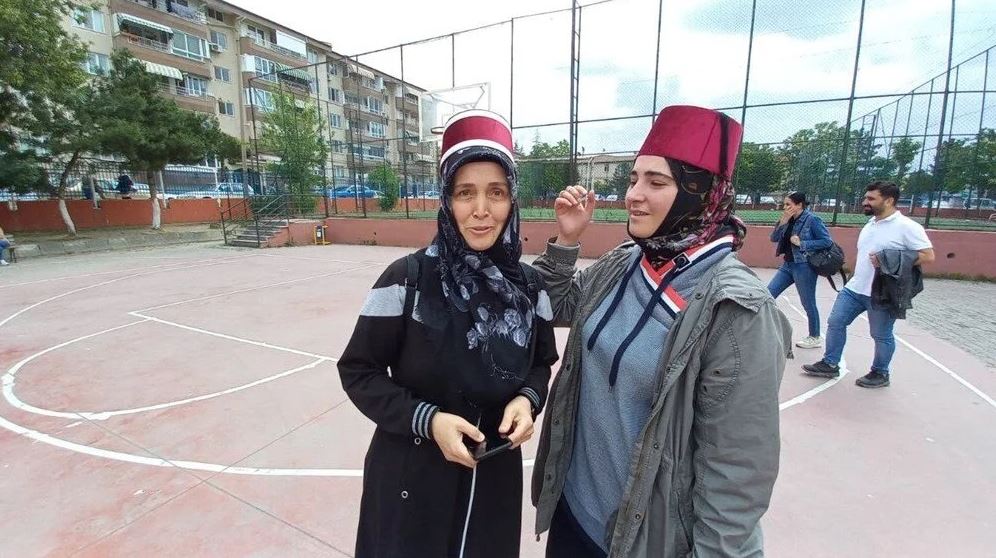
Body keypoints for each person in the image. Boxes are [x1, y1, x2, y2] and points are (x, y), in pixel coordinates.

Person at [530, 105, 793, 557]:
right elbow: (554, 308)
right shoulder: (626, 261)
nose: (634, 195)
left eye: (656, 182)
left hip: (642, 541)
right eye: (634, 179)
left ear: (701, 193)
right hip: (573, 512)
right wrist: (567, 240)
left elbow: (737, 474)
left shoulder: (737, 311)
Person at [338, 110, 559, 558]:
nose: (481, 210)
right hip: (412, 475)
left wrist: (527, 401)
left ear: (512, 200)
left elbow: (540, 363)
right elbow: (358, 370)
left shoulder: (530, 288)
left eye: (496, 192)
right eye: (465, 193)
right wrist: (430, 420)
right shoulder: (407, 280)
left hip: (493, 479)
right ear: (446, 199)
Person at [803, 180, 934, 388]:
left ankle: (880, 372)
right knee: (836, 322)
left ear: (889, 201)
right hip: (855, 288)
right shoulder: (871, 223)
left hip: (882, 291)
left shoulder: (907, 227)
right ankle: (830, 363)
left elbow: (928, 255)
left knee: (880, 335)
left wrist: (890, 258)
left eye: (871, 198)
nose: (865, 202)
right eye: (866, 197)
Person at [767, 191, 834, 349]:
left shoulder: (812, 220)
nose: (785, 207)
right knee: (768, 294)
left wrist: (802, 243)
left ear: (799, 205)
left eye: (788, 204)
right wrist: (782, 222)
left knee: (807, 302)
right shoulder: (787, 219)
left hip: (804, 266)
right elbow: (773, 238)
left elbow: (826, 241)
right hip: (788, 265)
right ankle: (764, 329)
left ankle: (814, 336)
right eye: (784, 204)